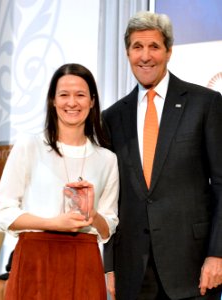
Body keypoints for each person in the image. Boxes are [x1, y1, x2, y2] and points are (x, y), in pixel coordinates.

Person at [102, 11, 222, 300]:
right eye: (137, 47)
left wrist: (217, 254)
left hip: (193, 270)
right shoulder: (112, 117)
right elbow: (110, 197)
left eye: (154, 46)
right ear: (128, 52)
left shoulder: (205, 104)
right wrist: (109, 266)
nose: (145, 56)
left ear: (169, 51)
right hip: (133, 272)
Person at [0, 63, 119, 300]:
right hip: (35, 258)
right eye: (64, 94)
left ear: (92, 101)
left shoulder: (107, 159)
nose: (72, 102)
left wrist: (92, 214)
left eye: (80, 95)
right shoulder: (29, 146)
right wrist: (54, 223)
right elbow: (3, 210)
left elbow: (109, 226)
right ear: (53, 100)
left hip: (85, 261)